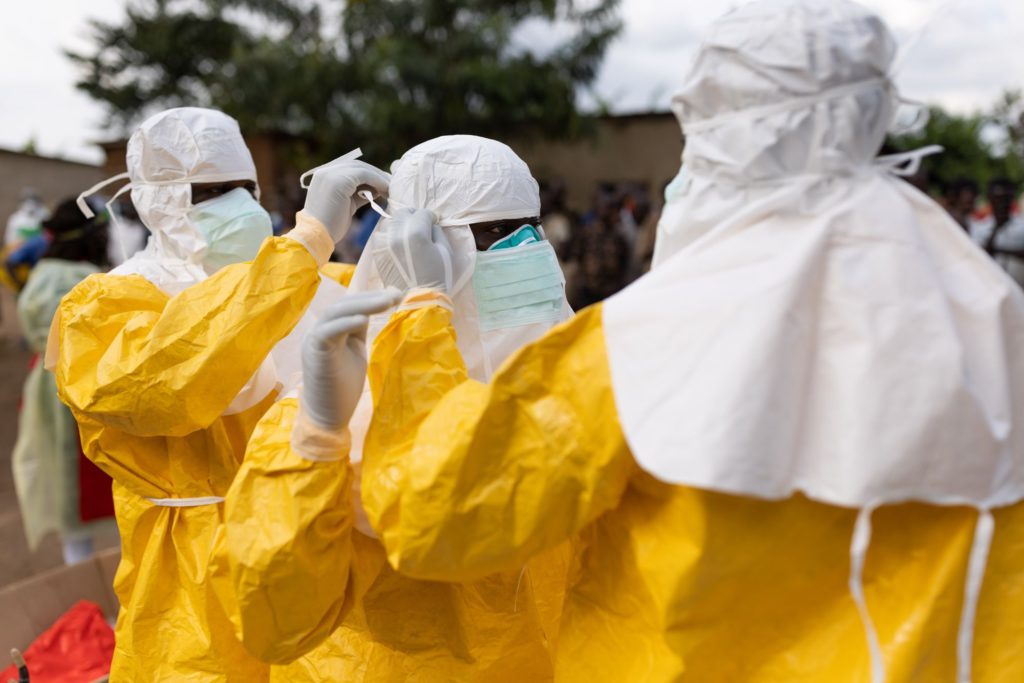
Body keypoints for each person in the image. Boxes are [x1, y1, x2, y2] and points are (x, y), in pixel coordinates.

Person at [345, 2, 1024, 681]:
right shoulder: (990, 305)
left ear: (719, 134)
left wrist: (417, 320)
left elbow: (434, 514)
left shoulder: (646, 337)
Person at [211, 135, 574, 681]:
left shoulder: (577, 373)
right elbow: (268, 615)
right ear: (413, 247)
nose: (528, 248)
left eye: (532, 227)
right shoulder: (334, 403)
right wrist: (319, 438)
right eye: (496, 232)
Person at [49, 107, 389, 682]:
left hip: (305, 553)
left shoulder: (312, 280)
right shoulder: (104, 307)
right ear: (156, 202)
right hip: (192, 586)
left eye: (245, 189)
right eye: (209, 192)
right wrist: (308, 240)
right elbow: (168, 385)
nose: (240, 206)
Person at [12, 197, 115, 565]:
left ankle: (81, 572)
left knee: (64, 483)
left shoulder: (42, 272)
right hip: (85, 386)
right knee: (95, 481)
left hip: (46, 386)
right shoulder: (85, 280)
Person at [971, 177, 1024, 287]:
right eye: (998, 198)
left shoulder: (1022, 226)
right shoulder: (979, 227)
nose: (1002, 203)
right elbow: (977, 257)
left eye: (1006, 198)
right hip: (990, 288)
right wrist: (996, 228)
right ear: (990, 198)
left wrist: (999, 250)